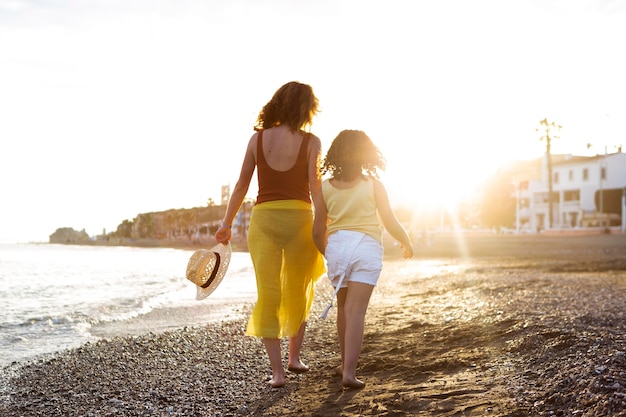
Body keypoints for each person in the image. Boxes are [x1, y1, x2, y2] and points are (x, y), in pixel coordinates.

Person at [214, 81, 326, 388]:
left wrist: (226, 223)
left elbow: (241, 186)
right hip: (301, 219)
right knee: (299, 288)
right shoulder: (312, 142)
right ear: (306, 109)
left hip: (263, 221)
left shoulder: (257, 139)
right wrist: (323, 224)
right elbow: (316, 188)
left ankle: (278, 372)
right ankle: (294, 358)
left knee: (269, 292)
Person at [312, 129, 414, 389]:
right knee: (357, 311)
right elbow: (389, 220)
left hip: (337, 246)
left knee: (344, 308)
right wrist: (406, 240)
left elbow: (317, 230)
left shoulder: (324, 188)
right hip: (365, 246)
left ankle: (343, 362)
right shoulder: (373, 185)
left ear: (334, 156)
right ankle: (349, 372)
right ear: (367, 155)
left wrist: (330, 253)